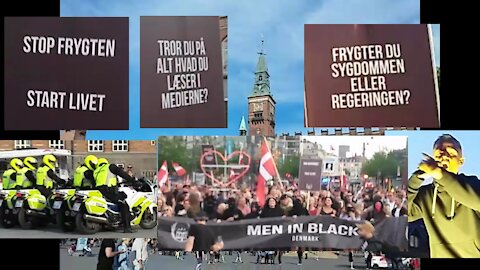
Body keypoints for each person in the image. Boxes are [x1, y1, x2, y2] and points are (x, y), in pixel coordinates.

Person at [408, 134, 480, 258]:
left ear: (461, 161)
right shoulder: (425, 195)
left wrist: (441, 174)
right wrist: (417, 177)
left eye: (451, 153)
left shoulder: (473, 184)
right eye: (439, 154)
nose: (444, 156)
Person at [94, 157, 138, 233]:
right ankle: (127, 228)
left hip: (99, 192)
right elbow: (122, 174)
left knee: (121, 197)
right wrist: (133, 181)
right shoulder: (110, 167)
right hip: (109, 191)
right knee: (123, 204)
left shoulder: (96, 171)